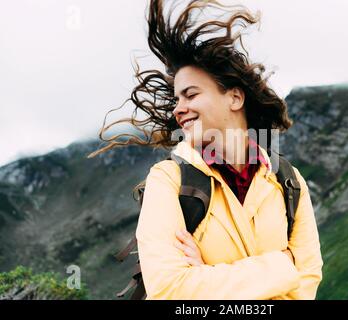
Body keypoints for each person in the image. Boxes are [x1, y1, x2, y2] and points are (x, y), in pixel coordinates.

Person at [89, 0, 323, 300]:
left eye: (191, 95)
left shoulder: (288, 181)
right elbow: (169, 289)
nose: (179, 109)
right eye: (177, 99)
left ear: (235, 98)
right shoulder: (168, 180)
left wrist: (206, 278)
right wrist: (281, 269)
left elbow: (306, 288)